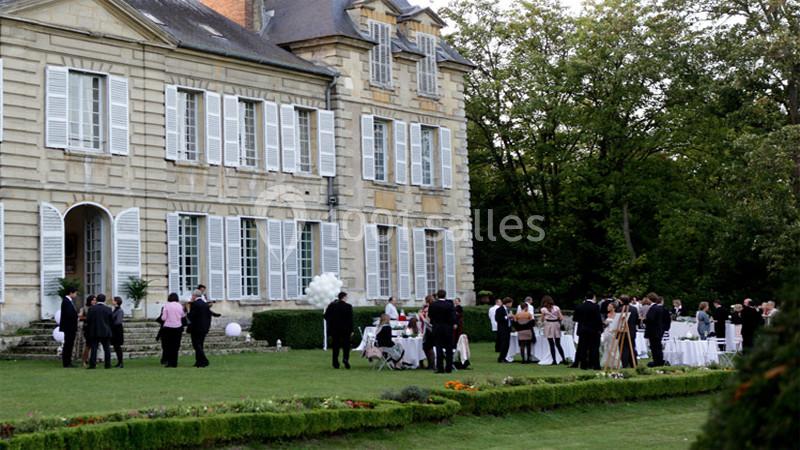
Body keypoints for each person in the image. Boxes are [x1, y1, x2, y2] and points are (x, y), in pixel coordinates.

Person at [571, 292, 603, 370]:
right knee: (594, 348)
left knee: (583, 348)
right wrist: (600, 329)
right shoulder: (595, 307)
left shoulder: (579, 306)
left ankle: (583, 365)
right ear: (593, 297)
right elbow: (598, 319)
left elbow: (575, 319)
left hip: (583, 330)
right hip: (593, 330)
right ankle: (595, 365)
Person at [428, 289, 457, 373]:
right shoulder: (449, 304)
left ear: (437, 296)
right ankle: (449, 367)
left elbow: (430, 316)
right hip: (448, 328)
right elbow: (453, 316)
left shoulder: (433, 305)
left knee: (439, 348)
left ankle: (440, 368)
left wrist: (434, 322)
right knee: (449, 348)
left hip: (437, 328)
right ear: (445, 295)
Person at [324, 292, 353, 369]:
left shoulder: (332, 306)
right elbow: (350, 320)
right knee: (346, 346)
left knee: (335, 347)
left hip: (335, 330)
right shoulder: (348, 306)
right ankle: (345, 359)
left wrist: (332, 322)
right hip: (346, 330)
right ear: (344, 297)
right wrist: (351, 330)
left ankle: (335, 363)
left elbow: (326, 316)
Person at [86, 294, 113, 369]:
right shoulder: (108, 309)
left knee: (94, 348)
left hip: (94, 331)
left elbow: (88, 320)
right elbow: (111, 321)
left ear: (97, 300)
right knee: (107, 349)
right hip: (105, 331)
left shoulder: (92, 308)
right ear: (104, 300)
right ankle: (108, 364)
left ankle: (92, 364)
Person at [187, 289, 212, 368]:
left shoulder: (195, 304)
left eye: (192, 296)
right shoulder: (205, 304)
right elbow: (209, 317)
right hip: (204, 328)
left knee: (196, 345)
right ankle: (199, 361)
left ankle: (204, 360)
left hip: (196, 328)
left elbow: (191, 316)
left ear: (194, 296)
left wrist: (188, 309)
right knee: (200, 344)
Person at [645, 293, 671, 367]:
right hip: (658, 330)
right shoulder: (658, 308)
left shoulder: (654, 308)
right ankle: (658, 360)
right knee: (657, 346)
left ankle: (657, 361)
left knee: (655, 347)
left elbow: (650, 319)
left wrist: (644, 320)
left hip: (653, 331)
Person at [160, 293, 186, 368]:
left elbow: (164, 318)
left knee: (168, 345)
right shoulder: (180, 306)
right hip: (178, 327)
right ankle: (174, 362)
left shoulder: (166, 306)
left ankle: (169, 361)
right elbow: (183, 315)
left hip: (168, 327)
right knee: (176, 345)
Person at [540, 295, 566, 365]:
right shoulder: (556, 308)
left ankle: (554, 360)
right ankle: (563, 359)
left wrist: (545, 316)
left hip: (548, 324)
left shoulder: (543, 309)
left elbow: (542, 320)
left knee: (551, 344)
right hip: (556, 324)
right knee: (558, 343)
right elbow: (561, 317)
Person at [59, 287, 80, 368]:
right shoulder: (66, 301)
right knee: (68, 344)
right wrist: (77, 316)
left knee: (69, 344)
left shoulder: (68, 301)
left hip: (70, 326)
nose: (76, 295)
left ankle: (68, 361)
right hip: (69, 327)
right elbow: (69, 314)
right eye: (75, 293)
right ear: (71, 293)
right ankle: (67, 362)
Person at [618, 296, 639, 368]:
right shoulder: (634, 309)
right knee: (632, 348)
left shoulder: (620, 309)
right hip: (632, 331)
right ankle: (634, 363)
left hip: (622, 331)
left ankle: (625, 363)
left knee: (624, 349)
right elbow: (637, 320)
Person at [495, 297, 514, 363]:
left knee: (507, 344)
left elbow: (509, 318)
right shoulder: (499, 310)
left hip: (508, 328)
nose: (511, 304)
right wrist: (507, 317)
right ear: (507, 303)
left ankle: (504, 357)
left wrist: (511, 318)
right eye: (511, 303)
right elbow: (497, 319)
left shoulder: (508, 310)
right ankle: (501, 358)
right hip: (502, 329)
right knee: (504, 344)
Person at [79, 295, 97, 368]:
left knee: (94, 346)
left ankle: (93, 361)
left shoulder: (96, 307)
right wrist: (88, 318)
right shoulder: (84, 308)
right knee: (88, 346)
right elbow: (80, 317)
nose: (94, 301)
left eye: (95, 300)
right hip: (87, 328)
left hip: (95, 328)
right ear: (89, 300)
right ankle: (84, 360)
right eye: (93, 300)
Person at [419, 295, 435, 370]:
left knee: (428, 347)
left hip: (430, 329)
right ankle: (430, 364)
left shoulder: (430, 308)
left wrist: (422, 316)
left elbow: (428, 321)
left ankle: (431, 364)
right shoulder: (431, 307)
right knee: (427, 347)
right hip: (430, 329)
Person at [111, 296, 125, 368]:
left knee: (117, 347)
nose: (112, 301)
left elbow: (118, 321)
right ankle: (119, 362)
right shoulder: (115, 310)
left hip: (117, 330)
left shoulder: (119, 311)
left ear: (116, 302)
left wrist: (111, 323)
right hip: (114, 330)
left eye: (113, 300)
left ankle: (121, 362)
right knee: (116, 347)